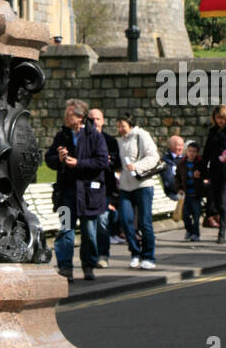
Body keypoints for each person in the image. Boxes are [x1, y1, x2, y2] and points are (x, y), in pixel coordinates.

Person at [44, 101, 109, 281]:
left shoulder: (95, 136)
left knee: (89, 232)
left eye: (69, 114)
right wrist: (59, 158)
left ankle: (88, 265)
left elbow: (102, 161)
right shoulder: (61, 136)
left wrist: (79, 164)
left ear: (80, 117)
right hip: (66, 193)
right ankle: (65, 267)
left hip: (89, 194)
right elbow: (48, 159)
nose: (65, 118)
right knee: (65, 229)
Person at [115, 113, 160, 269]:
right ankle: (135, 253)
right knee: (126, 222)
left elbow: (154, 157)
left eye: (123, 126)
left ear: (130, 124)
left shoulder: (142, 136)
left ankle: (149, 257)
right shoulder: (120, 141)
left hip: (143, 186)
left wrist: (137, 166)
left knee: (145, 223)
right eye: (118, 126)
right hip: (125, 187)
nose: (120, 129)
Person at [86, 107, 119, 267]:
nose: (94, 122)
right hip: (86, 188)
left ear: (103, 121)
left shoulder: (110, 140)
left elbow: (116, 163)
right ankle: (91, 256)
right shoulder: (82, 139)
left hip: (104, 188)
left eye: (97, 119)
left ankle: (103, 255)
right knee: (89, 224)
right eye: (91, 119)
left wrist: (108, 162)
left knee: (102, 222)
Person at [201, 105, 226, 242]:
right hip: (214, 171)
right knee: (219, 202)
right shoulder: (212, 131)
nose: (220, 120)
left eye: (222, 118)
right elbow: (207, 152)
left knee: (223, 202)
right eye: (217, 118)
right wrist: (202, 170)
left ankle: (222, 234)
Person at [177, 141, 204, 241]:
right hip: (185, 194)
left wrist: (201, 175)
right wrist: (179, 188)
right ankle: (189, 230)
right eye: (190, 151)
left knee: (196, 216)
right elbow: (177, 178)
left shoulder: (200, 164)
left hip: (196, 194)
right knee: (185, 215)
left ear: (197, 153)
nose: (192, 153)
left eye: (194, 151)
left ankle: (196, 234)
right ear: (186, 151)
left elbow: (206, 175)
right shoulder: (181, 164)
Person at [160, 135, 185, 201]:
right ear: (171, 146)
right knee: (184, 200)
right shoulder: (165, 161)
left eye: (182, 145)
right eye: (179, 145)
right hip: (174, 193)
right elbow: (169, 182)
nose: (181, 148)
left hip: (188, 191)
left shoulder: (186, 159)